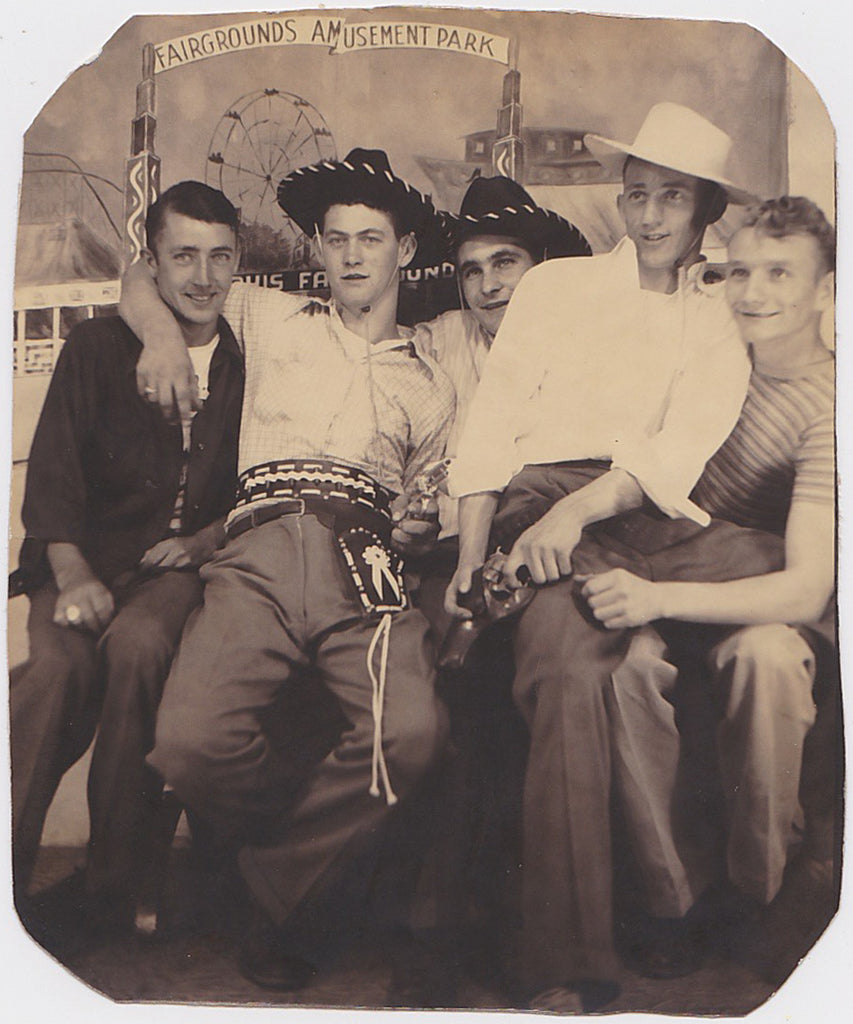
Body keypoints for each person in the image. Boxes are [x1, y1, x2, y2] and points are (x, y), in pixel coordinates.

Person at [445, 102, 757, 1011]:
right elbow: (491, 427)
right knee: (572, 669)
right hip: (540, 502)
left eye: (671, 198)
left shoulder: (715, 317)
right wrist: (474, 562)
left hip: (639, 515)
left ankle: (736, 899)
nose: (651, 216)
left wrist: (577, 519)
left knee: (794, 581)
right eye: (636, 195)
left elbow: (676, 455)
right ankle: (565, 958)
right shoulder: (558, 288)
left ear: (705, 212)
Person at [120, 148, 454, 989]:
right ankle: (313, 877)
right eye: (334, 238)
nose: (349, 256)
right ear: (316, 248)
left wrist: (418, 526)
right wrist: (161, 339)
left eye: (369, 239)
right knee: (188, 741)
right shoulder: (272, 318)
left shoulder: (431, 379)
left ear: (403, 252)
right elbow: (143, 276)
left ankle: (275, 887)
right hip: (260, 545)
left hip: (365, 554)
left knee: (408, 735)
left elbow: (435, 507)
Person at [579, 196, 836, 966]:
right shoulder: (711, 348)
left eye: (779, 274)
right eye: (740, 271)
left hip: (751, 592)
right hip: (661, 557)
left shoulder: (829, 408)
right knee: (618, 667)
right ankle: (671, 899)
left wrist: (656, 598)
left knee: (767, 663)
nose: (752, 292)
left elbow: (805, 592)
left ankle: (756, 894)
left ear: (824, 291)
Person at [10, 181, 244, 942]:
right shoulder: (98, 347)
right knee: (52, 675)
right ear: (152, 263)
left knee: (141, 647)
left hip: (173, 571)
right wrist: (73, 577)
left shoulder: (251, 359)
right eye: (183, 256)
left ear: (239, 261)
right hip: (82, 559)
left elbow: (257, 486)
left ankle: (109, 892)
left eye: (218, 256)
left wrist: (205, 542)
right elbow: (49, 481)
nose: (202, 277)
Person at [413, 174, 591, 633]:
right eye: (472, 270)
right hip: (452, 558)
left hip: (548, 552)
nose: (487, 285)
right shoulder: (440, 340)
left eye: (504, 262)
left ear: (542, 265)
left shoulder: (585, 342)